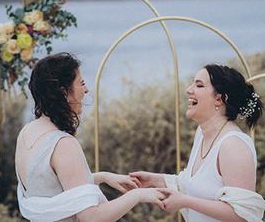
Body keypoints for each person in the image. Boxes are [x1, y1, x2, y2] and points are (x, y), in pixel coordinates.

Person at [15, 52, 164, 222]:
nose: (86, 89)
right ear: (64, 92)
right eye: (81, 83)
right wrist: (138, 195)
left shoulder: (26, 133)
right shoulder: (63, 144)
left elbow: (50, 188)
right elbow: (91, 218)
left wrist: (102, 177)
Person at [130, 64, 265, 222]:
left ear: (220, 98)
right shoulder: (202, 134)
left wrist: (185, 201)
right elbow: (195, 186)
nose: (188, 90)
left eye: (199, 85)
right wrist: (154, 180)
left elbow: (242, 215)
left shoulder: (233, 145)